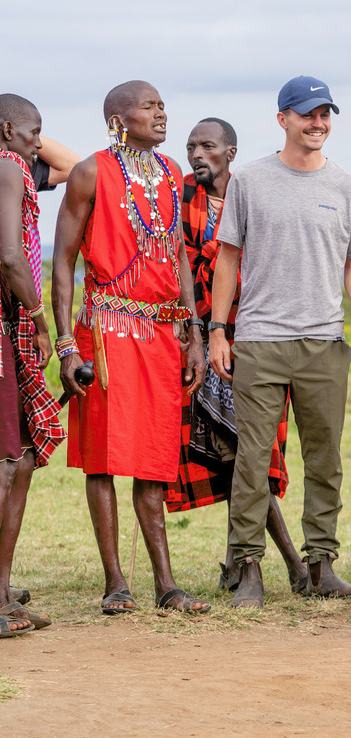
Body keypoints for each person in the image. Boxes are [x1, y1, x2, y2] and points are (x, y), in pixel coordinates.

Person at [208, 77, 351, 608]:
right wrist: (218, 329)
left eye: (325, 114)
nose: (317, 123)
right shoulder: (250, 180)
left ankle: (321, 565)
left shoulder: (349, 188)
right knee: (252, 459)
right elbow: (228, 258)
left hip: (324, 343)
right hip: (260, 340)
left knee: (325, 458)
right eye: (307, 114)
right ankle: (247, 569)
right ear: (282, 119)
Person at [52, 81, 210, 615]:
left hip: (161, 334)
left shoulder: (170, 172)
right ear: (119, 120)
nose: (162, 113)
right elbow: (63, 261)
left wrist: (193, 332)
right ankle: (116, 583)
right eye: (150, 106)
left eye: (163, 105)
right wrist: (66, 346)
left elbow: (179, 255)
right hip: (105, 331)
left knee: (155, 458)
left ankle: (166, 584)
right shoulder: (89, 172)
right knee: (103, 459)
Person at [167, 118, 307, 595]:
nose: (196, 155)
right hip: (204, 340)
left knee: (252, 455)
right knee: (233, 455)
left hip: (261, 337)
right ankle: (274, 566)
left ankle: (258, 564)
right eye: (191, 147)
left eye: (207, 146)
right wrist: (199, 334)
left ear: (230, 152)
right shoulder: (183, 197)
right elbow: (180, 269)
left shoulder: (254, 192)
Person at [0, 94, 68, 637]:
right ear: (7, 131)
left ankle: (3, 592)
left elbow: (70, 165)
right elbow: (10, 256)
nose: (39, 144)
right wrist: (42, 321)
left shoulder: (14, 165)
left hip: (8, 326)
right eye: (33, 132)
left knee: (20, 456)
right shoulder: (6, 166)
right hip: (7, 325)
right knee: (7, 461)